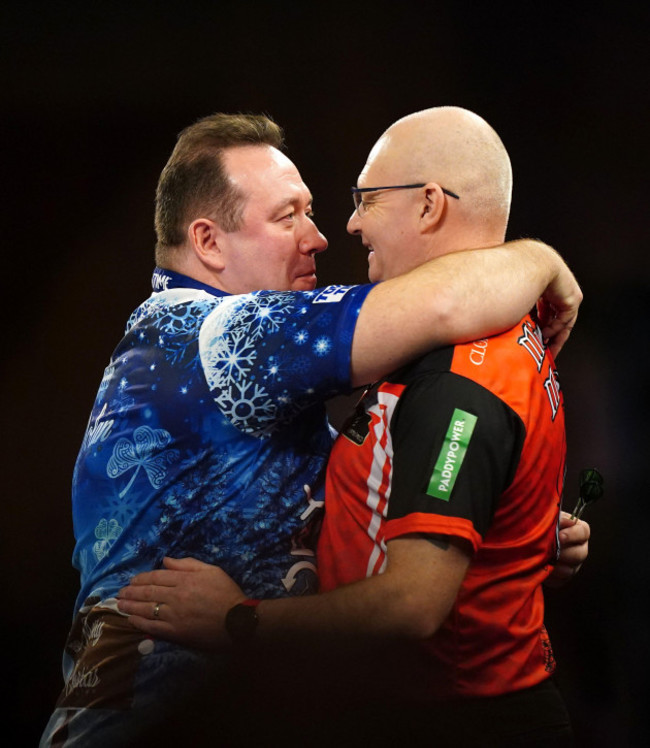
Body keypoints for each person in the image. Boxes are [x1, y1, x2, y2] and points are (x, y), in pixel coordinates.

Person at [42, 112, 581, 747]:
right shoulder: (225, 338)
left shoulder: (212, 354)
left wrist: (505, 525)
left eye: (317, 210)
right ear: (209, 243)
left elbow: (351, 514)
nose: (325, 236)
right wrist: (542, 260)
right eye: (287, 217)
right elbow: (445, 302)